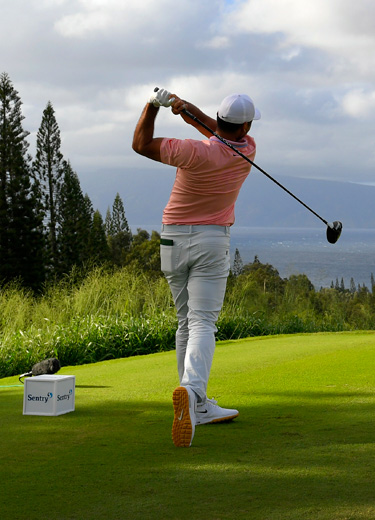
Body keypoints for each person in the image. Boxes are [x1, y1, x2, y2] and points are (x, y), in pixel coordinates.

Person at [132, 88, 260, 447]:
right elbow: (220, 134)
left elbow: (141, 144)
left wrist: (152, 107)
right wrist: (187, 110)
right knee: (203, 322)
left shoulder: (190, 151)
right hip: (211, 240)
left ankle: (196, 404)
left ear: (219, 120)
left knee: (185, 320)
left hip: (172, 238)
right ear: (246, 125)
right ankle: (191, 391)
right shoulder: (248, 151)